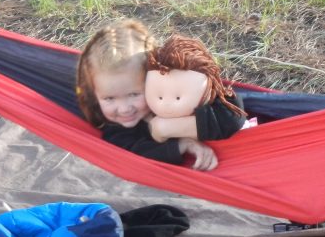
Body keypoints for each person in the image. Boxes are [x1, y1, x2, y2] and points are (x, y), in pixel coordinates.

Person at [76, 20, 218, 170]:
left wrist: (184, 128)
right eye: (109, 98)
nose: (124, 109)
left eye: (134, 94)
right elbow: (132, 153)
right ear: (94, 94)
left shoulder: (173, 96)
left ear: (153, 81)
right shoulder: (113, 128)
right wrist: (182, 145)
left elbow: (226, 112)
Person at [145, 35, 247, 144]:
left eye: (178, 97)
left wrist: (167, 128)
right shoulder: (139, 112)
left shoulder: (216, 101)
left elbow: (234, 117)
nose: (167, 104)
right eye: (160, 97)